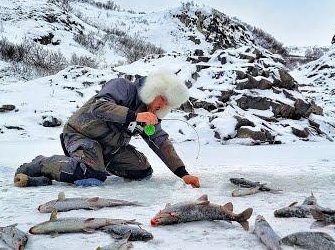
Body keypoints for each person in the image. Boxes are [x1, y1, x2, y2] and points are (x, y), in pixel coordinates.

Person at [14, 69, 201, 188]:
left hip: (110, 148)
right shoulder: (122, 87)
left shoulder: (150, 115)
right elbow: (100, 107)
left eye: (169, 104)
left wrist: (183, 174)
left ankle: (96, 163)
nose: (164, 107)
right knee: (92, 176)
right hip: (80, 134)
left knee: (142, 171)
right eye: (164, 100)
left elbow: (159, 141)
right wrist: (135, 116)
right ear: (156, 90)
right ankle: (42, 163)